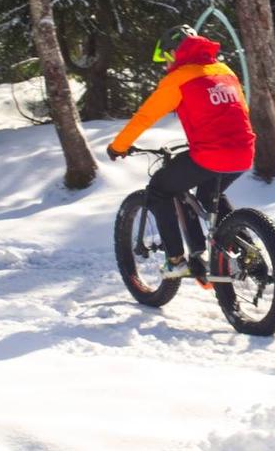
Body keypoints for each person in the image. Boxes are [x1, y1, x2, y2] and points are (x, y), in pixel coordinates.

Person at [107, 25, 255, 284]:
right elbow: (240, 110)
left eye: (166, 59)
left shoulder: (179, 79)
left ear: (174, 53)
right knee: (209, 196)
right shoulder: (224, 71)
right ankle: (246, 249)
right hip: (244, 151)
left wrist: (118, 146)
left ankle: (176, 261)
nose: (166, 65)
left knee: (159, 189)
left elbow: (145, 116)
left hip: (210, 155)